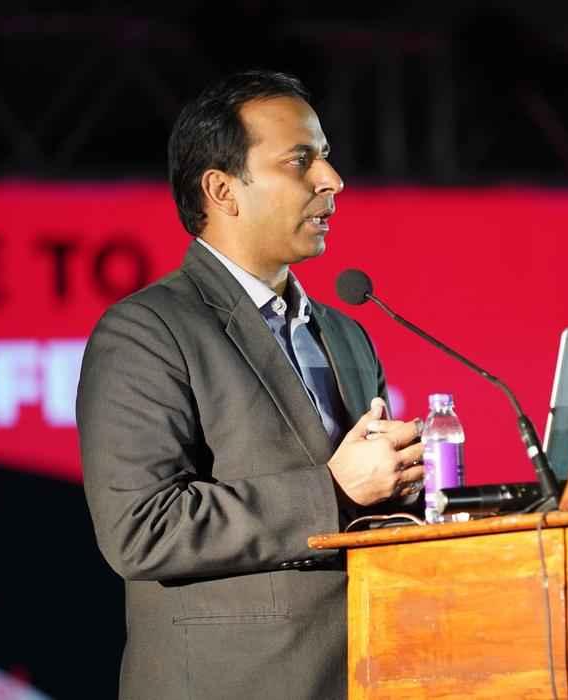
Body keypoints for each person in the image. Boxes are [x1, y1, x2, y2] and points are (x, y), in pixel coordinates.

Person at [76, 69, 426, 700]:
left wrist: (417, 490)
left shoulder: (346, 333)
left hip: (367, 674)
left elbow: (371, 513)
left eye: (326, 156)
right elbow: (141, 529)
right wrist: (332, 490)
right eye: (301, 160)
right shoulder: (148, 331)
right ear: (222, 190)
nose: (332, 180)